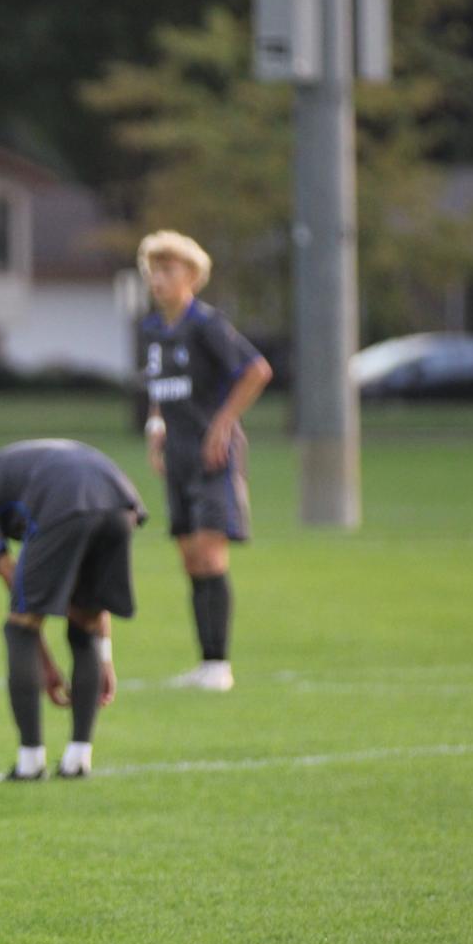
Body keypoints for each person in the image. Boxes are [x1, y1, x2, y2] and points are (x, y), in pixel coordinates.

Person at [0, 439, 147, 781]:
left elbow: (12, 578)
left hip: (65, 502)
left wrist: (43, 663)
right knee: (86, 622)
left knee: (18, 628)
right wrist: (105, 658)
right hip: (120, 502)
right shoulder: (6, 480)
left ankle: (30, 763)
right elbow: (91, 610)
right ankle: (79, 759)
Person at [136, 231, 272, 691]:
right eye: (153, 270)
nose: (157, 278)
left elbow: (257, 370)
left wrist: (222, 423)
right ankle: (206, 663)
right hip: (176, 456)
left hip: (213, 456)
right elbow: (160, 390)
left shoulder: (207, 325)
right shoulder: (153, 329)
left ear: (191, 276)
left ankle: (220, 665)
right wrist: (157, 431)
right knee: (190, 555)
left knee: (211, 553)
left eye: (168, 270)